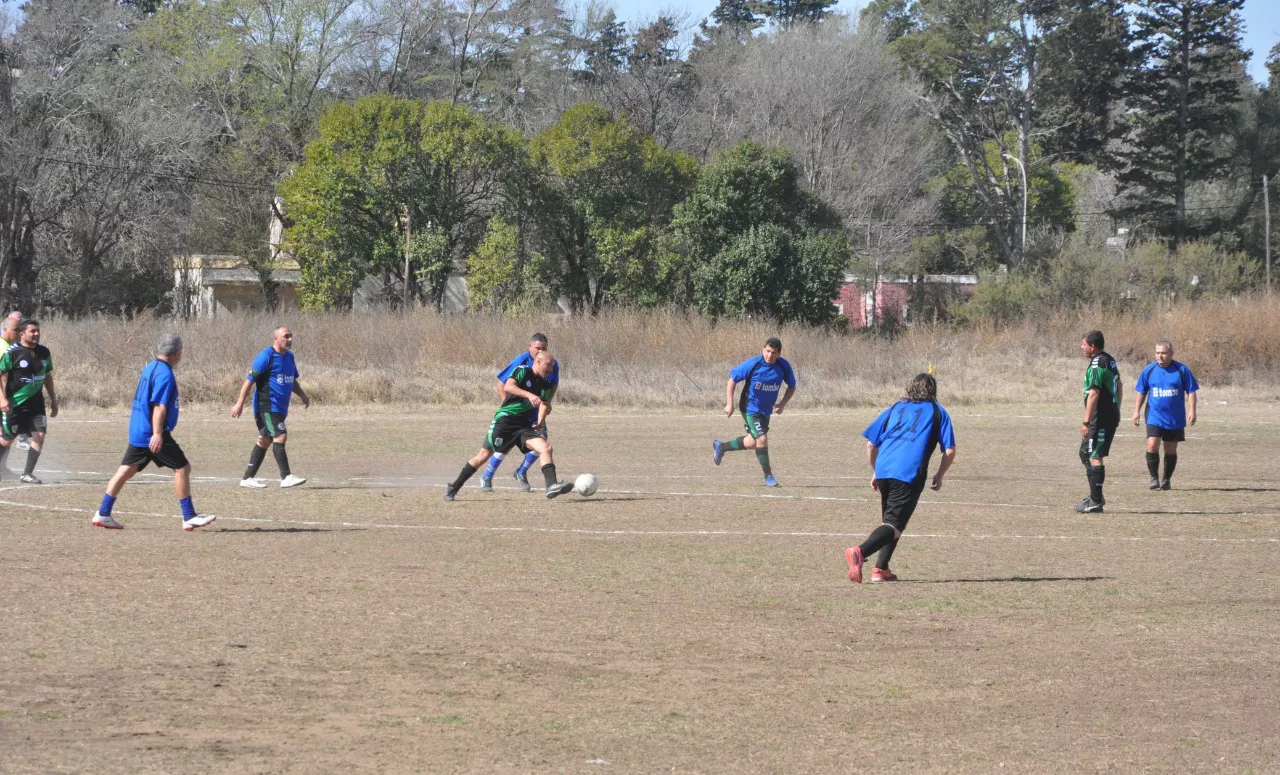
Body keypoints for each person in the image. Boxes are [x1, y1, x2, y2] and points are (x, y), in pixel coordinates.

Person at [91, 334, 215, 530]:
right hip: (153, 433)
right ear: (176, 353)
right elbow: (159, 407)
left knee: (126, 471)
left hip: (139, 429)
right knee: (182, 468)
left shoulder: (150, 367)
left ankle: (103, 513)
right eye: (181, 352)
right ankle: (189, 516)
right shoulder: (165, 374)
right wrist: (157, 434)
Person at [844, 373, 956, 583]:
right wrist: (940, 474)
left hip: (885, 468)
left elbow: (871, 444)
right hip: (909, 472)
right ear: (933, 391)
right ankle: (859, 552)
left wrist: (876, 470)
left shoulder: (895, 407)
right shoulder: (937, 411)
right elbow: (949, 450)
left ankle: (880, 569)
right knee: (894, 524)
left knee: (892, 522)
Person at [443, 350, 575, 501]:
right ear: (538, 361)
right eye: (549, 365)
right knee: (483, 456)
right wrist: (529, 394)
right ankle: (454, 487)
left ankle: (551, 486)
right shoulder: (523, 371)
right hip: (505, 422)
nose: (551, 370)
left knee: (546, 448)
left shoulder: (544, 385)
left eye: (552, 367)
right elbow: (508, 386)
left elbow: (545, 404)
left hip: (524, 426)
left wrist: (540, 420)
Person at [231, 325, 310, 488]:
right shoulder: (266, 356)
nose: (290, 340)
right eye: (286, 336)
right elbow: (249, 381)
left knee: (265, 440)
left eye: (291, 336)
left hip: (280, 409)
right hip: (266, 407)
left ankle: (247, 478)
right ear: (276, 338)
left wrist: (302, 394)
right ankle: (286, 476)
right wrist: (239, 403)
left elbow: (291, 379)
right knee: (280, 435)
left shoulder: (289, 357)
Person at [479, 333, 560, 492]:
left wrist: (547, 403)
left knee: (542, 440)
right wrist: (507, 407)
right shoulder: (521, 361)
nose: (540, 351)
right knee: (504, 444)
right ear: (530, 347)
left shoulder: (550, 362)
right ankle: (487, 475)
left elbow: (552, 385)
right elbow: (503, 383)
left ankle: (521, 472)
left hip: (534, 410)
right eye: (537, 348)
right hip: (514, 411)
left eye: (543, 348)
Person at [711, 337, 796, 487]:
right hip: (750, 408)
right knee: (762, 439)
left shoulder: (783, 366)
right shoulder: (754, 363)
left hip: (765, 410)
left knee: (752, 442)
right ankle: (768, 476)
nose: (769, 355)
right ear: (763, 349)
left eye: (773, 352)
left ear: (779, 354)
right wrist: (729, 404)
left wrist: (782, 404)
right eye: (767, 351)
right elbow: (732, 380)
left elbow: (792, 386)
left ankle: (721, 447)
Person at [1132, 339, 1198, 490]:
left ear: (1171, 354)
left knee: (1170, 450)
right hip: (1154, 416)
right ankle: (1153, 478)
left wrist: (1192, 411)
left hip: (1175, 418)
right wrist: (1136, 411)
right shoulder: (1149, 370)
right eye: (1157, 353)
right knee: (1152, 444)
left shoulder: (1181, 370)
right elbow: (1141, 391)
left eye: (1163, 353)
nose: (1159, 356)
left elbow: (1191, 391)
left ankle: (1166, 479)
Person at [0, 319, 57, 483]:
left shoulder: (44, 352)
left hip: (37, 404)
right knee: (6, 439)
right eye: (32, 331)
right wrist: (2, 399)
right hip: (15, 404)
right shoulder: (13, 352)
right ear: (22, 334)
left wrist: (53, 400)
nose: (36, 334)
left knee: (40, 435)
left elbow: (47, 377)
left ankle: (27, 473)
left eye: (38, 331)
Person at [1076, 330, 1121, 514]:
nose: (1081, 347)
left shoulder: (1097, 363)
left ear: (1092, 347)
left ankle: (1095, 502)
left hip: (1100, 418)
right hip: (1106, 415)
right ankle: (1095, 495)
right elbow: (1120, 385)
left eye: (1084, 344)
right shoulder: (1108, 359)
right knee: (1084, 453)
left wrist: (1086, 422)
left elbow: (1094, 393)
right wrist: (1118, 407)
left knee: (1094, 455)